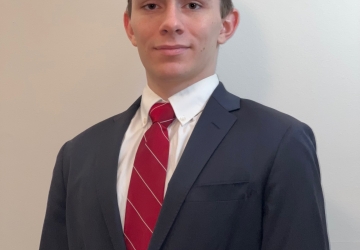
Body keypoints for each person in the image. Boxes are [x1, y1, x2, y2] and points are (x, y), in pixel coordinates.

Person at [40, 0, 330, 249]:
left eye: (193, 5)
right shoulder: (77, 155)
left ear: (226, 25)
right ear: (130, 27)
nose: (171, 23)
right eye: (151, 5)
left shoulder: (280, 141)